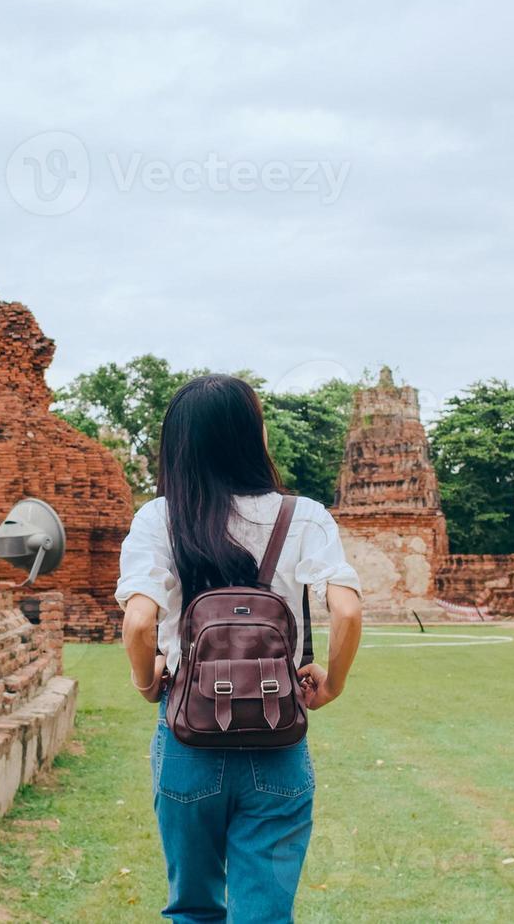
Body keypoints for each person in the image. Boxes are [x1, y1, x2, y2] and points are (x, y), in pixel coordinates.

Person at [116, 374, 364, 924]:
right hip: (278, 734)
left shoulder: (159, 517)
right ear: (250, 436)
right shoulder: (303, 515)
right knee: (265, 915)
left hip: (186, 735)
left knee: (194, 909)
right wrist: (334, 682)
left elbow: (138, 622)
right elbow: (346, 609)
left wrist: (145, 679)